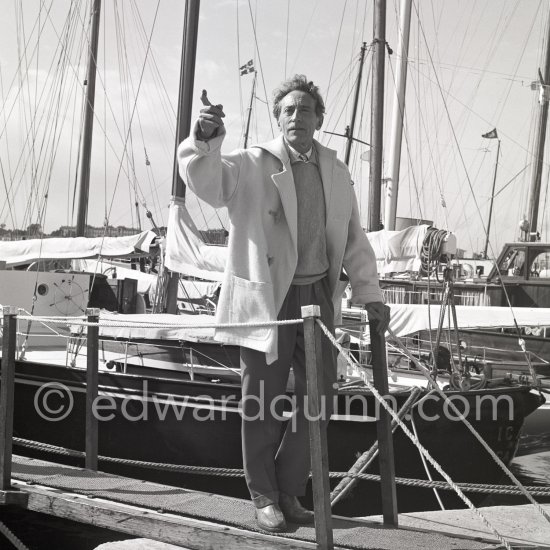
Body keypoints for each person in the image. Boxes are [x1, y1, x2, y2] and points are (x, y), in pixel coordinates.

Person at [177, 75, 389, 532]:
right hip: (269, 295)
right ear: (278, 118)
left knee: (321, 399)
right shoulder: (252, 163)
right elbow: (208, 182)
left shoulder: (335, 169)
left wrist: (369, 293)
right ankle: (263, 496)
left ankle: (291, 490)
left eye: (306, 110)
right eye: (288, 110)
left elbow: (353, 238)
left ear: (319, 119)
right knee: (261, 401)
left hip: (318, 297)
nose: (297, 116)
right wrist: (207, 137)